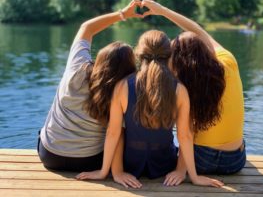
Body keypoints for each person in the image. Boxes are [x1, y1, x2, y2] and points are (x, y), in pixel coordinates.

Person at [76, 29, 224, 188]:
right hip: (164, 165)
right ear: (169, 55)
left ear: (139, 54)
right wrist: (190, 175)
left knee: (121, 131)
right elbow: (185, 136)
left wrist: (106, 172)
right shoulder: (180, 90)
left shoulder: (122, 87)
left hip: (130, 164)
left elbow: (113, 132)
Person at [38, 0, 142, 177]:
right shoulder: (121, 91)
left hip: (50, 155)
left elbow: (86, 28)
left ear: (100, 58)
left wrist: (122, 14)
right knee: (120, 128)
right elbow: (116, 134)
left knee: (42, 131)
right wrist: (116, 173)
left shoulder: (76, 67)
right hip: (90, 160)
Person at [141, 0, 246, 175]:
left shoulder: (183, 86)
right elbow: (198, 31)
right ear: (204, 49)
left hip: (200, 161)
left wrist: (181, 171)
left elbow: (186, 134)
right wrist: (163, 10)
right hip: (234, 162)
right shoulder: (228, 62)